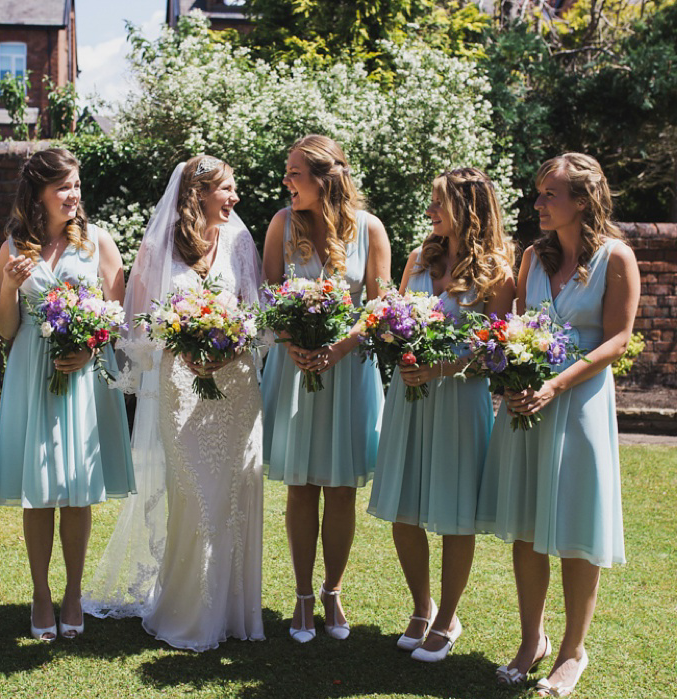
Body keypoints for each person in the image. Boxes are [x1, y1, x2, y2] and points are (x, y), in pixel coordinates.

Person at [83, 156, 265, 651]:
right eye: (227, 189)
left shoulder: (241, 242)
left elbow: (256, 315)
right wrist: (186, 348)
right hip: (181, 386)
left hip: (237, 386)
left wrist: (227, 346)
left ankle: (232, 616)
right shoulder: (158, 245)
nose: (235, 198)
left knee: (234, 494)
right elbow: (137, 325)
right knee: (194, 496)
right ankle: (188, 614)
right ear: (198, 192)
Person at [476, 153, 640, 696]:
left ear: (583, 200)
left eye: (550, 194)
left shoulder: (617, 258)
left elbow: (616, 339)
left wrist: (556, 385)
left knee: (574, 527)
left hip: (581, 405)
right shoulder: (532, 258)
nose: (538, 203)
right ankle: (532, 641)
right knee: (527, 525)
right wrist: (512, 376)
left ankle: (573, 650)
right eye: (539, 193)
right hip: (529, 405)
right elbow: (517, 326)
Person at [367, 168, 515, 662]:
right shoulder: (418, 258)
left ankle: (449, 616)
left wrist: (442, 367)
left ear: (467, 209)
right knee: (404, 505)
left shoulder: (497, 270)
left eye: (438, 203)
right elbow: (393, 318)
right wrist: (396, 346)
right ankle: (420, 606)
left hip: (458, 400)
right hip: (409, 397)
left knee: (454, 514)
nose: (429, 211)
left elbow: (494, 345)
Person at [0, 148, 135, 641]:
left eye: (76, 185)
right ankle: (40, 593)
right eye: (63, 187)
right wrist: (8, 290)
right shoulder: (14, 247)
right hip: (33, 368)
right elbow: (5, 328)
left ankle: (73, 592)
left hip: (84, 375)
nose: (73, 195)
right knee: (39, 490)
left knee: (76, 489)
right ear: (38, 194)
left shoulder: (98, 242)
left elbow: (118, 319)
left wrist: (90, 349)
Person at [261, 135, 390, 642]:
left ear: (323, 179)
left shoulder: (370, 229)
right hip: (294, 370)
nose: (287, 182)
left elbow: (379, 306)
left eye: (295, 173)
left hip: (348, 369)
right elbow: (269, 292)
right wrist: (292, 342)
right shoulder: (282, 224)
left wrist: (340, 347)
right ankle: (301, 596)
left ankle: (333, 592)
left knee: (340, 490)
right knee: (301, 486)